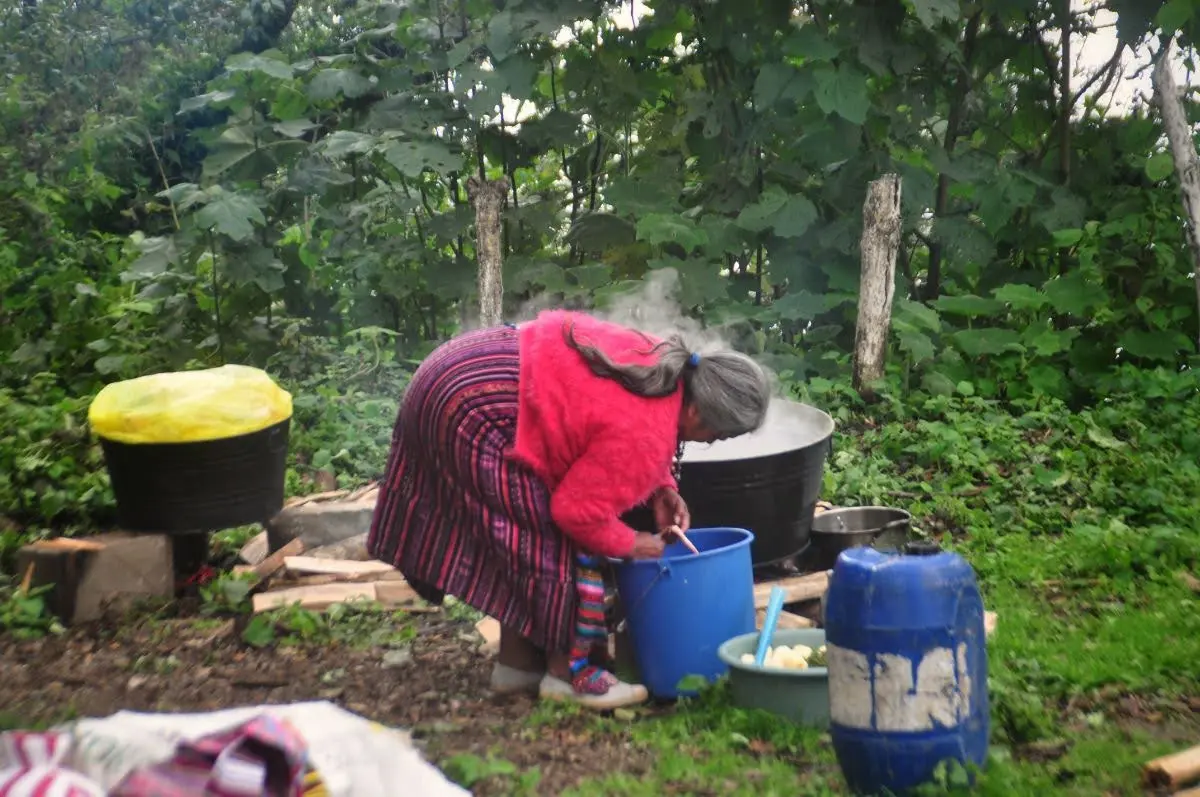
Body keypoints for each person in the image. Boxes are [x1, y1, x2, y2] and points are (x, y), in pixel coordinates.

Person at [367, 309, 771, 709]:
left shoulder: (668, 365)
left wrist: (662, 488)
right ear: (699, 411)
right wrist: (634, 543)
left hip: (463, 370)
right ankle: (568, 675)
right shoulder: (646, 434)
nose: (712, 442)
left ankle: (518, 666)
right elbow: (576, 514)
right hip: (473, 402)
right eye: (716, 435)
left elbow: (609, 421)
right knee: (548, 537)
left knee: (526, 527)